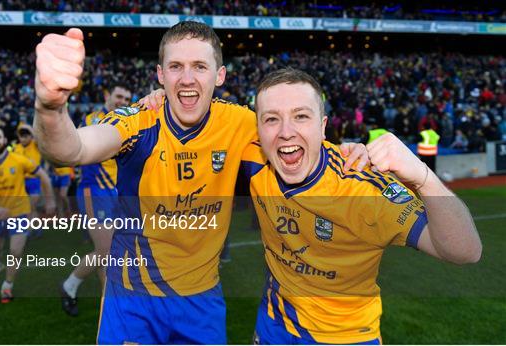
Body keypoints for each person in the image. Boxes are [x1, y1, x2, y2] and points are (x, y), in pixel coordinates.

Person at [34, 23, 367, 343]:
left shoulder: (239, 123)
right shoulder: (140, 121)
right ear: (161, 75)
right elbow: (72, 149)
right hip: (134, 301)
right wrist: (49, 107)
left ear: (219, 75)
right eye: (176, 66)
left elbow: (294, 138)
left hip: (202, 303)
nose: (188, 79)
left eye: (199, 66)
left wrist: (346, 153)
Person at [239, 68, 481, 344]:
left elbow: (466, 251)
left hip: (346, 336)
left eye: (301, 116)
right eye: (271, 119)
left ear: (323, 126)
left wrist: (423, 177)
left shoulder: (364, 190)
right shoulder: (253, 156)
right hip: (274, 323)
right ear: (257, 127)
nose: (285, 132)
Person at [59, 83, 131, 317]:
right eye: (118, 95)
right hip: (94, 192)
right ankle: (70, 286)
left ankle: (108, 302)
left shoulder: (125, 123)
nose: (122, 100)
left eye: (127, 98)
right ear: (107, 94)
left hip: (114, 194)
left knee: (108, 251)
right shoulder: (94, 120)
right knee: (106, 250)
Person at [0, 126, 55, 303]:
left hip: (19, 213)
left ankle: (7, 286)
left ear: (4, 140)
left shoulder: (19, 160)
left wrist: (49, 200)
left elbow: (44, 177)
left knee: (15, 251)